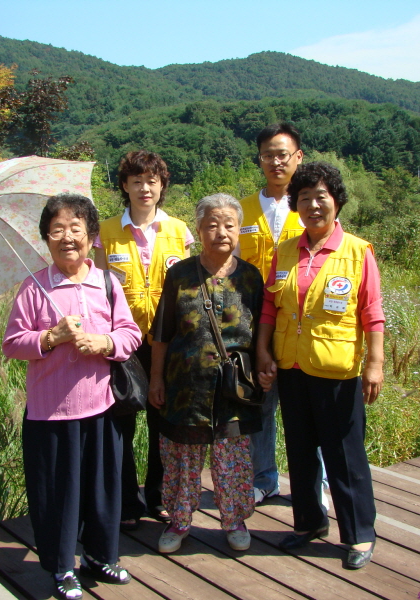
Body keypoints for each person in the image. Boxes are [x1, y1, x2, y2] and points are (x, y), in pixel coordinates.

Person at [2, 193, 142, 599]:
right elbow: (13, 343)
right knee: (58, 495)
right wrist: (50, 337)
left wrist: (103, 342)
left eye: (75, 228)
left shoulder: (107, 282)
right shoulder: (34, 287)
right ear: (46, 239)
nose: (67, 237)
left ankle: (100, 557)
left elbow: (130, 334)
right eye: (57, 230)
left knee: (103, 489)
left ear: (92, 236)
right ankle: (62, 567)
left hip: (102, 408)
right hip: (52, 412)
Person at [256, 162, 384, 569]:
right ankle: (309, 524)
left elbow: (372, 312)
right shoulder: (286, 250)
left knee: (344, 453)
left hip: (336, 370)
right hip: (291, 367)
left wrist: (375, 364)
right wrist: (263, 350)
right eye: (305, 198)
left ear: (337, 202)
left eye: (321, 197)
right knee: (299, 449)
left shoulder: (357, 251)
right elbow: (270, 306)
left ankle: (360, 534)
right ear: (295, 204)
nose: (313, 205)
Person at [149, 193, 263, 554]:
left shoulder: (250, 277)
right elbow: (163, 333)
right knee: (182, 458)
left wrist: (264, 367)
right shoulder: (179, 274)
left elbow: (262, 331)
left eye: (229, 224)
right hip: (185, 388)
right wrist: (155, 379)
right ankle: (179, 520)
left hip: (233, 391)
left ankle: (234, 520)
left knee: (233, 460)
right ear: (198, 229)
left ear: (238, 229)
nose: (221, 231)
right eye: (211, 224)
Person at [94, 150, 194, 530]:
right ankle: (125, 502)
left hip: (168, 342)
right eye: (136, 181)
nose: (144, 188)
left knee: (162, 422)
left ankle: (158, 496)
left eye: (152, 181)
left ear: (162, 185)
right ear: (124, 186)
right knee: (120, 423)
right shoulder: (105, 232)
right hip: (122, 340)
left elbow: (185, 286)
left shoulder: (179, 230)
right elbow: (99, 288)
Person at [236, 122, 305, 505]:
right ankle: (264, 478)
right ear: (259, 159)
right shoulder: (240, 209)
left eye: (283, 154)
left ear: (298, 158)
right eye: (268, 155)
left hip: (300, 326)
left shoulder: (311, 205)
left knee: (304, 410)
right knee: (260, 404)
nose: (276, 162)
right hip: (251, 327)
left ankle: (314, 482)